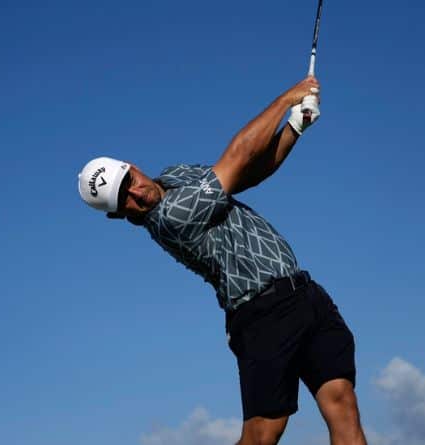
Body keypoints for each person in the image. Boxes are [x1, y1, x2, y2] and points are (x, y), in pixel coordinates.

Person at [77, 76, 367, 445]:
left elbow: (249, 173)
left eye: (129, 180)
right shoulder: (171, 218)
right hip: (261, 314)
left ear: (131, 165)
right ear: (119, 215)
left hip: (304, 294)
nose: (137, 193)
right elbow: (239, 157)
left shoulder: (176, 175)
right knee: (263, 434)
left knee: (342, 403)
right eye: (125, 199)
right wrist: (286, 99)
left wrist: (295, 126)